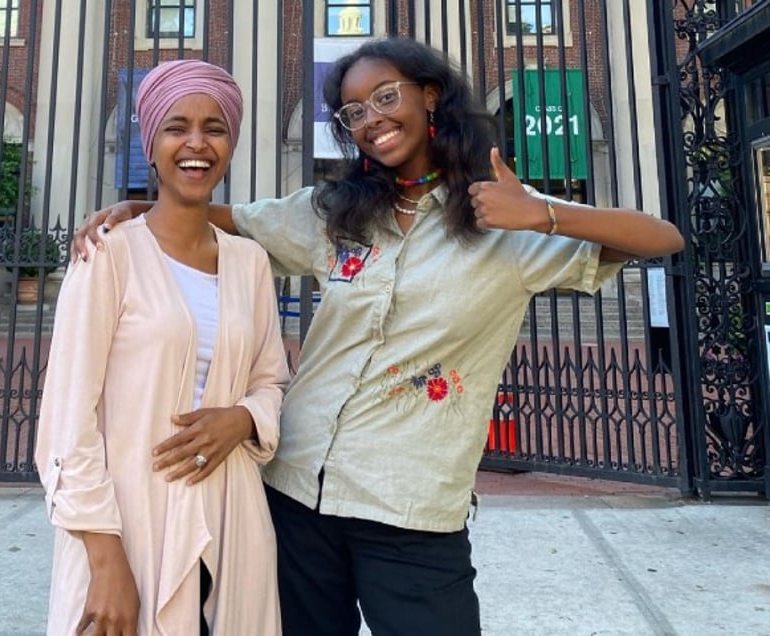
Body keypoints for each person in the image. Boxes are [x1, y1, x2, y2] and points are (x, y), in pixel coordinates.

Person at [73, 38, 684, 636]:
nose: (373, 119)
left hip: (410, 507)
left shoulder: (502, 219)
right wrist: (134, 208)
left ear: (430, 96)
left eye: (387, 97)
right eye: (354, 111)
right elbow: (230, 217)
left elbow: (662, 237)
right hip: (295, 497)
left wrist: (544, 215)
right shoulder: (334, 213)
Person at [36, 59, 289, 636]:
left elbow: (272, 380)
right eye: (177, 127)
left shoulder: (249, 263)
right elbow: (67, 420)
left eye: (215, 128)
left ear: (231, 144)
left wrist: (244, 418)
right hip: (130, 524)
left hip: (231, 523)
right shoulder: (109, 256)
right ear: (151, 144)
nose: (196, 143)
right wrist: (105, 559)